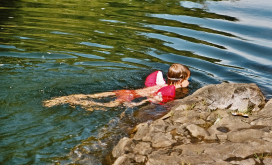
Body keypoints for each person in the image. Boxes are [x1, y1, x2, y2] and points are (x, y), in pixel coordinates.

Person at [43, 63, 191, 109]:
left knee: (95, 95)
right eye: (187, 80)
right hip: (130, 96)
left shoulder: (162, 83)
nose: (188, 82)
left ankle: (62, 99)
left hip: (127, 91)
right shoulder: (169, 90)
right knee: (103, 106)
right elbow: (151, 99)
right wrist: (136, 104)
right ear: (180, 81)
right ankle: (73, 102)